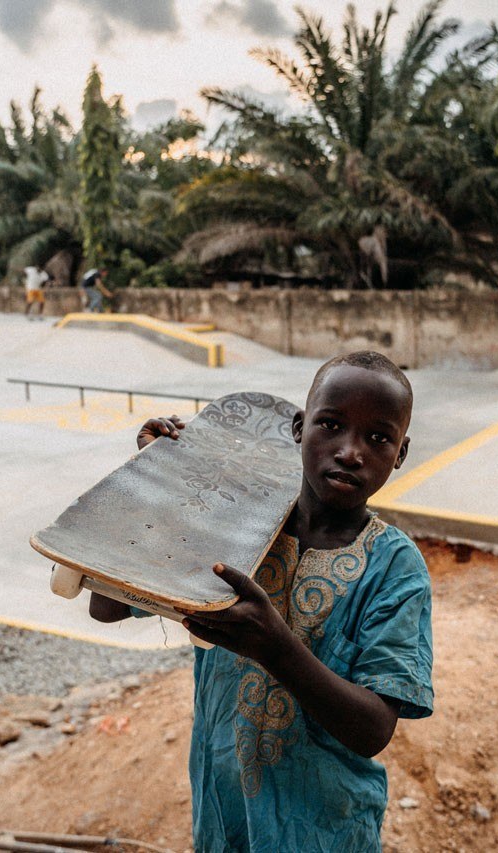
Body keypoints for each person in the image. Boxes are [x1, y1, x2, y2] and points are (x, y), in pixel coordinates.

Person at [89, 351, 434, 851]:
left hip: (325, 832)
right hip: (221, 819)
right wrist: (156, 483)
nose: (350, 451)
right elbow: (108, 606)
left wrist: (276, 648)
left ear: (400, 453)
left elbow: (374, 729)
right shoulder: (233, 523)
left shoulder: (394, 567)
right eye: (331, 424)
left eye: (378, 438)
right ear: (299, 428)